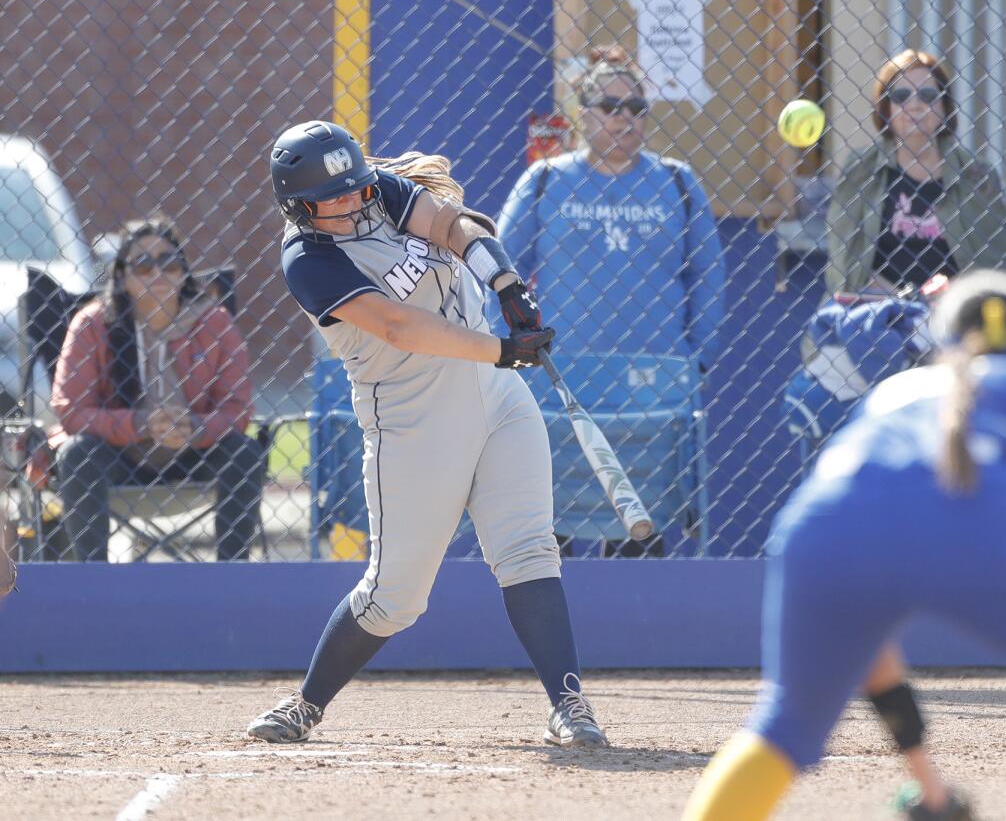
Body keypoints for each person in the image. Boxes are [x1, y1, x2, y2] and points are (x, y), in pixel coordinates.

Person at [683, 271, 1006, 821]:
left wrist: (930, 789)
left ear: (939, 340)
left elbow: (869, 642)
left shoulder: (893, 395)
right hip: (982, 513)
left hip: (819, 526)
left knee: (783, 727)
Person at [248, 120, 608, 749]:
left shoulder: (377, 191)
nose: (350, 202)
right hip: (413, 422)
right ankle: (306, 704)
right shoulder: (308, 260)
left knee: (528, 551)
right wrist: (500, 348)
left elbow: (455, 225)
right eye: (328, 199)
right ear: (297, 206)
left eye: (354, 189)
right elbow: (399, 326)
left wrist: (504, 283)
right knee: (394, 598)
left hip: (497, 400)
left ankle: (568, 702)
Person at [496, 44, 725, 557]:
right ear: (583, 114)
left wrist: (697, 359)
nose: (626, 118)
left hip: (651, 388)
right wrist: (511, 355)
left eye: (636, 108)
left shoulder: (677, 182)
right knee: (546, 537)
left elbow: (709, 276)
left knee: (641, 535)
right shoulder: (546, 181)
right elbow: (498, 269)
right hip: (562, 387)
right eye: (611, 106)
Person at [51, 216, 263, 562]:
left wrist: (195, 428)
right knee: (77, 454)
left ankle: (231, 576)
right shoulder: (92, 324)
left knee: (245, 451)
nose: (158, 274)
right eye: (143, 265)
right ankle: (94, 582)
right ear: (121, 276)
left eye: (169, 262)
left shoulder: (215, 322)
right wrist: (140, 424)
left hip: (194, 453)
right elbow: (70, 410)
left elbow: (237, 407)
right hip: (119, 456)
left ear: (183, 272)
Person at [825, 49, 1006, 297]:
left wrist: (952, 291)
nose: (914, 105)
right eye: (901, 96)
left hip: (953, 313)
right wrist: (893, 297)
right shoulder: (861, 169)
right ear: (885, 108)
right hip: (875, 310)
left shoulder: (976, 175)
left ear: (944, 108)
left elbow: (994, 264)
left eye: (927, 96)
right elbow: (843, 258)